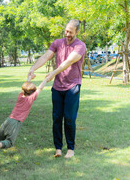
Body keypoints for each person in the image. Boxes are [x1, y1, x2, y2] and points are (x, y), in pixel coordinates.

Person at [28, 19, 86, 158]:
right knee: (56, 118)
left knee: (70, 118)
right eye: (66, 31)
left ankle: (70, 148)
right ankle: (58, 148)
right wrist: (32, 68)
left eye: (71, 32)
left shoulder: (80, 46)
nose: (67, 34)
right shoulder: (57, 43)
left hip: (73, 86)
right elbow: (46, 56)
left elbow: (69, 61)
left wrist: (53, 73)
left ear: (77, 32)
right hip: (58, 87)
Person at [0, 79, 47, 151]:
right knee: (9, 142)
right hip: (15, 122)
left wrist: (29, 77)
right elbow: (40, 88)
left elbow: (25, 87)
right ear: (32, 93)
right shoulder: (31, 98)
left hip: (8, 120)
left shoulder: (20, 96)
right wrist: (46, 79)